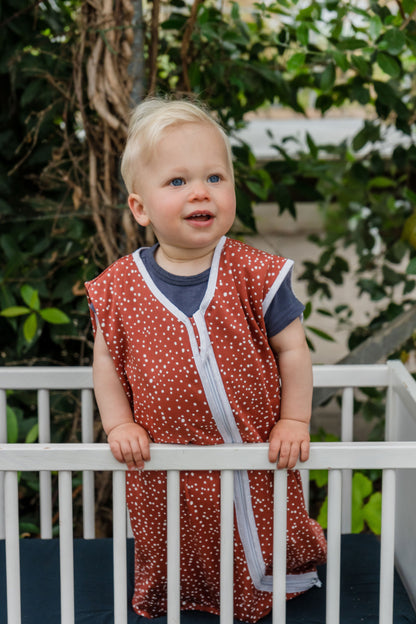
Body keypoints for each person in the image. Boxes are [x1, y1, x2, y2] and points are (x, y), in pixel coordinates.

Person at [85, 97, 326, 623]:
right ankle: (188, 592)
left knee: (263, 531)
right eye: (177, 182)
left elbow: (293, 350)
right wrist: (119, 423)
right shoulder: (119, 288)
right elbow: (106, 364)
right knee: (176, 537)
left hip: (254, 452)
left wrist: (295, 418)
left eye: (216, 177)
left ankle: (273, 582)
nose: (200, 191)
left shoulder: (256, 273)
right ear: (140, 207)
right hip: (164, 461)